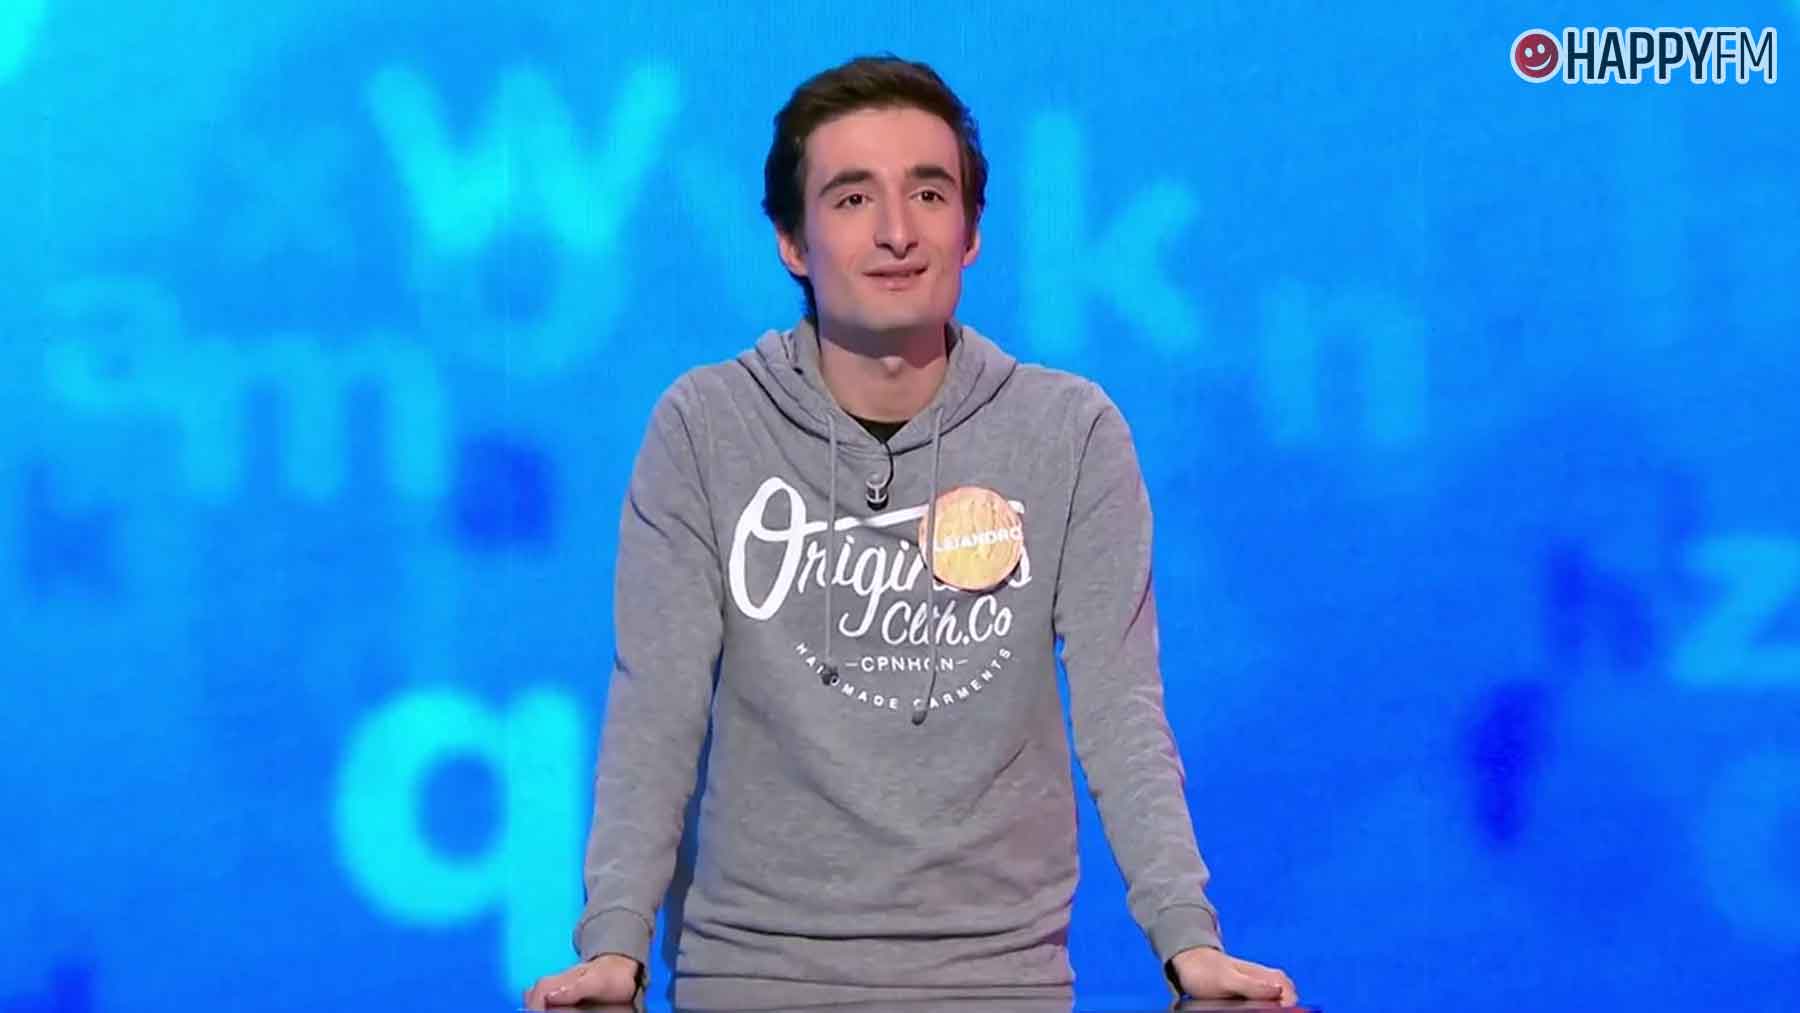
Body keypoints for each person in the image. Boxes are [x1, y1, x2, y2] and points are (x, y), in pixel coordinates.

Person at [524, 54, 1299, 1011]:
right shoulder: (706, 426)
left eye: (929, 194)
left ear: (970, 233)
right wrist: (615, 944)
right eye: (852, 199)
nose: (897, 232)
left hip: (999, 984)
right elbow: (657, 708)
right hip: (751, 980)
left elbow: (1120, 711)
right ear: (792, 241)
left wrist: (1189, 941)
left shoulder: (1070, 433)